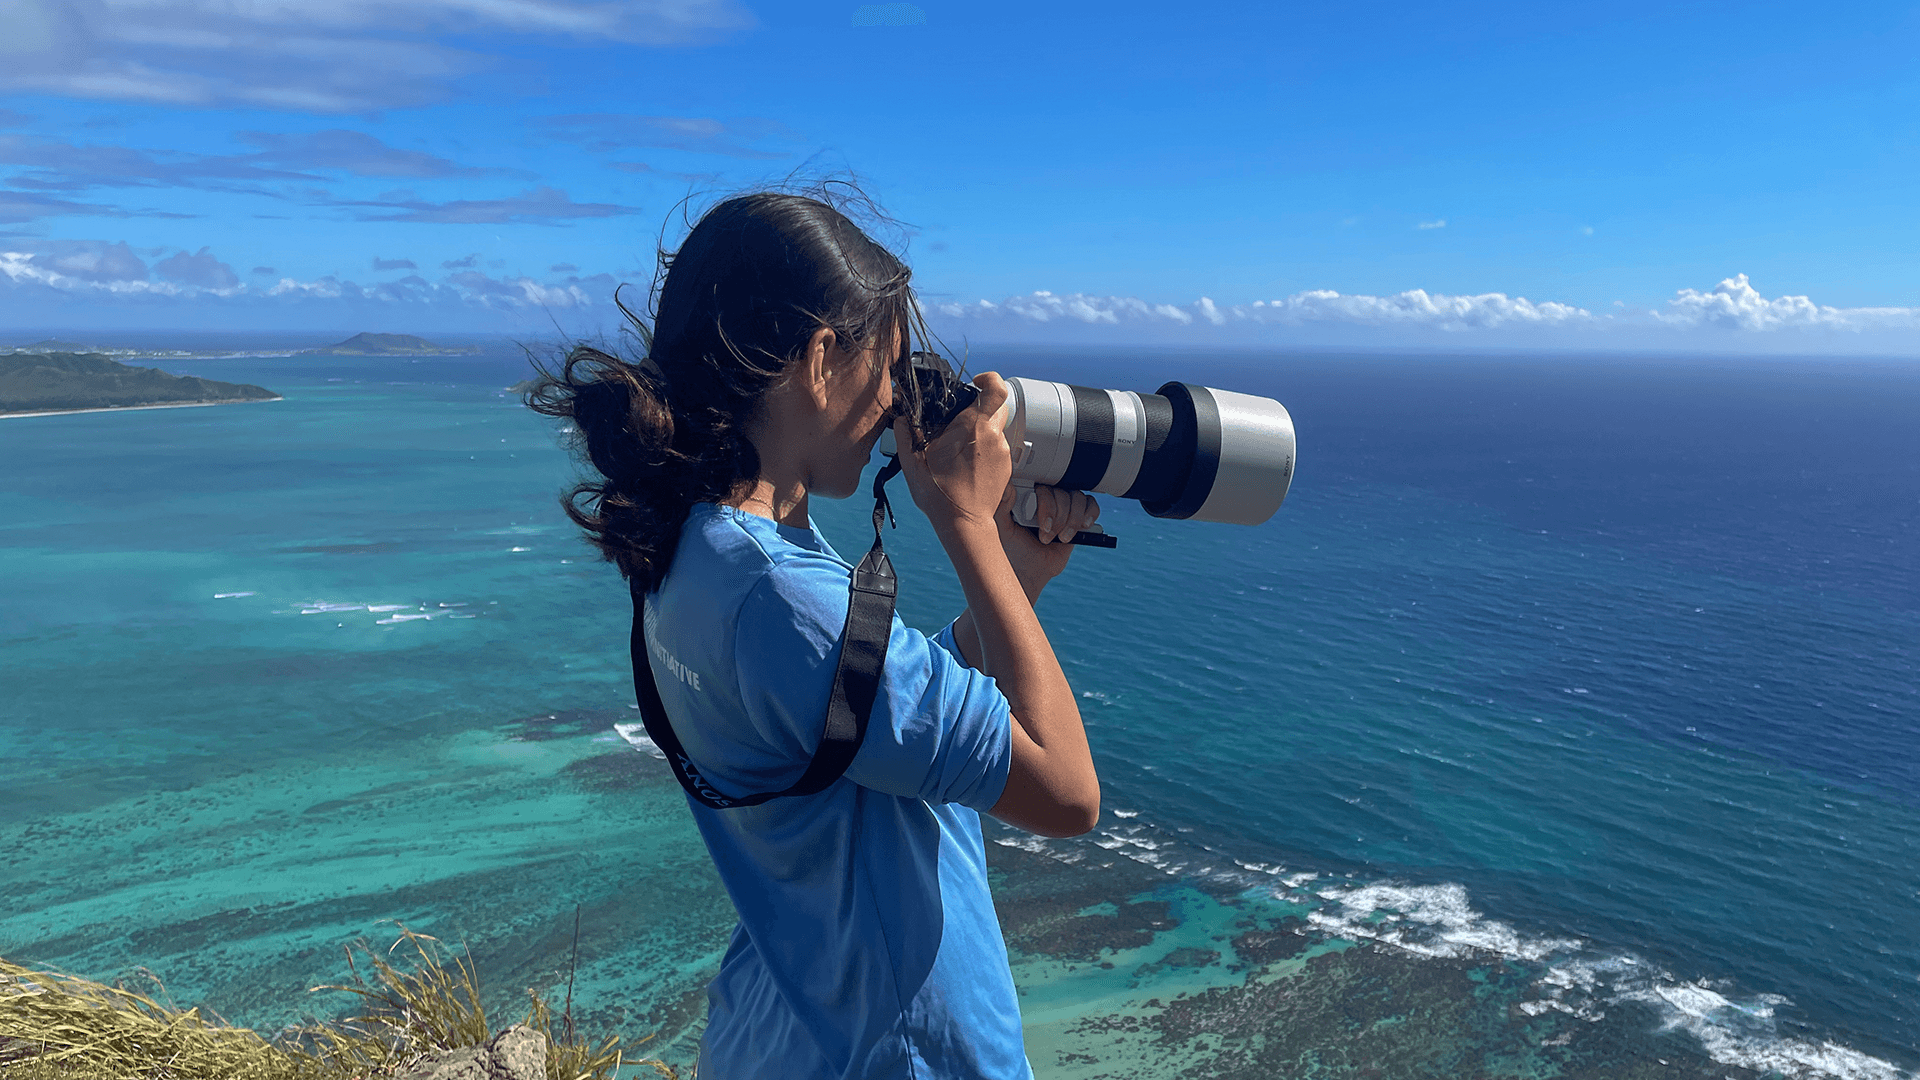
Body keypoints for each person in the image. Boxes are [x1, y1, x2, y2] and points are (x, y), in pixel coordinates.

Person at [529, 190, 1102, 1079]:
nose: (892, 407)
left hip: (789, 1029)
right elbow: (1068, 795)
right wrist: (972, 531)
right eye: (891, 364)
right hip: (897, 1051)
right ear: (824, 358)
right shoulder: (780, 594)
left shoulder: (701, 545)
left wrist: (1017, 582)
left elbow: (860, 714)